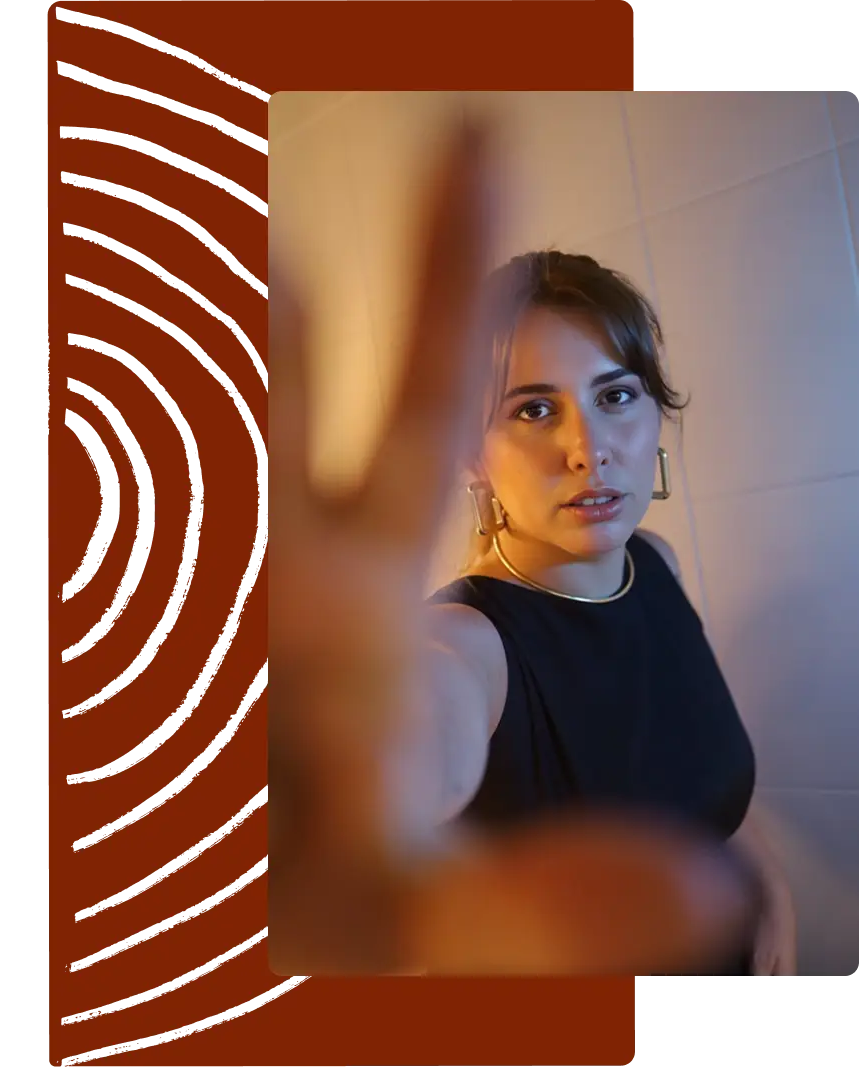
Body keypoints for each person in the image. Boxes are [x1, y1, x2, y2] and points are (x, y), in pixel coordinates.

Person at [268, 120, 794, 976]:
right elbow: (417, 727)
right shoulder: (468, 646)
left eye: (615, 395)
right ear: (472, 453)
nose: (588, 450)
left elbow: (699, 796)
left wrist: (758, 894)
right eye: (534, 409)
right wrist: (319, 768)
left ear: (655, 414)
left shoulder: (654, 565)